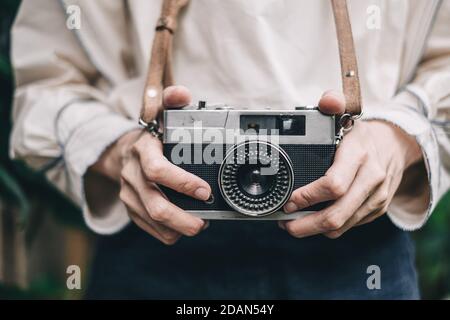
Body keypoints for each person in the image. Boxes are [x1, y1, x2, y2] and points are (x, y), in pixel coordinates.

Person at [10, 0, 450, 299]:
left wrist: (393, 141)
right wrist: (121, 149)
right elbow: (47, 84)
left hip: (358, 241)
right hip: (158, 227)